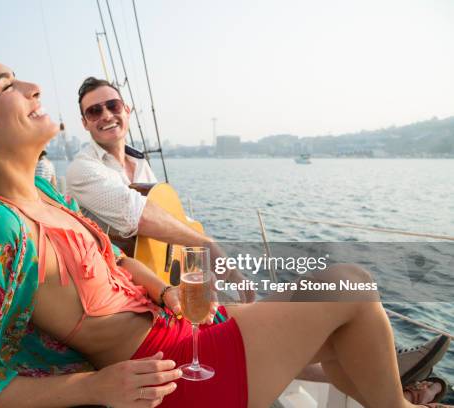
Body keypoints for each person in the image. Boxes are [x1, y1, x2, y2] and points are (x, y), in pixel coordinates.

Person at [0, 35, 450, 408]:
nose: (30, 86)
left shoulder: (46, 195)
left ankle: (391, 396)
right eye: (7, 85)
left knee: (335, 314)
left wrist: (163, 288)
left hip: (179, 334)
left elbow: (112, 256)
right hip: (181, 378)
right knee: (348, 283)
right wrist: (93, 389)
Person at [66, 77, 450, 392]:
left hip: (168, 286)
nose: (105, 115)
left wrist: (200, 265)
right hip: (141, 304)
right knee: (328, 296)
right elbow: (139, 216)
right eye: (93, 111)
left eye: (112, 105)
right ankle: (391, 376)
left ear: (126, 110)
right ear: (84, 123)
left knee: (309, 311)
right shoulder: (83, 170)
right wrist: (210, 248)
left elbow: (169, 228)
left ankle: (392, 380)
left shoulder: (140, 164)